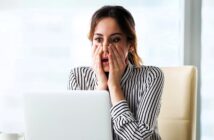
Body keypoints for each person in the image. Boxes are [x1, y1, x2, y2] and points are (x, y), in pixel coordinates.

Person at [68, 5, 164, 140]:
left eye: (115, 39)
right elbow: (79, 134)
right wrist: (101, 87)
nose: (105, 48)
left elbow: (139, 138)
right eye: (99, 39)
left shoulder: (151, 76)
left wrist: (114, 86)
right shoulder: (78, 77)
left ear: (130, 45)